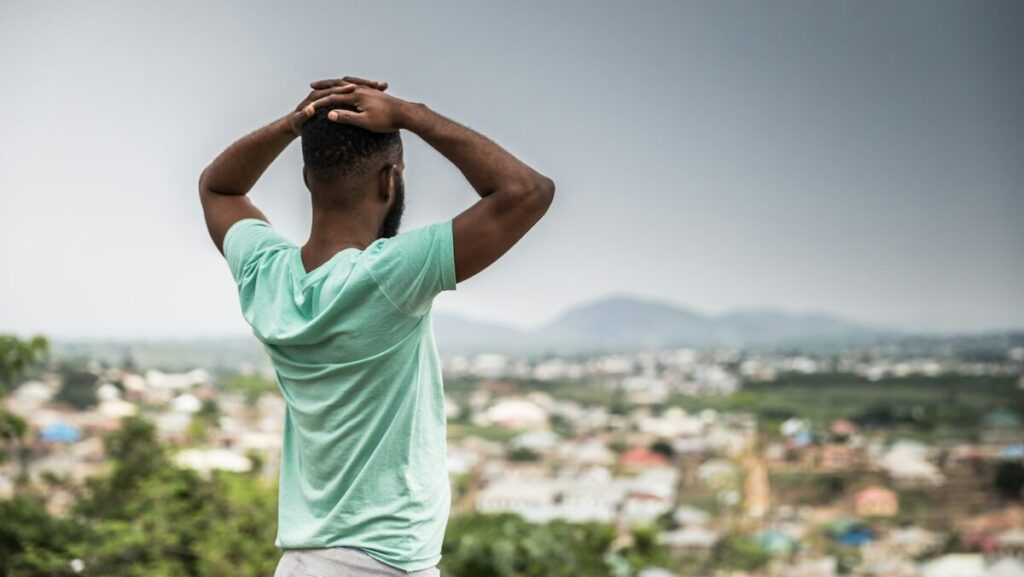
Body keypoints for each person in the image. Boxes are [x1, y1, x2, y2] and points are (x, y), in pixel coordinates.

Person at [198, 76, 555, 576]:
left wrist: (292, 123)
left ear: (306, 180)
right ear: (390, 180)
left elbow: (218, 186)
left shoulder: (267, 273)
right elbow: (527, 191)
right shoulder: (389, 276)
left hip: (302, 562)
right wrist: (412, 113)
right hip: (382, 563)